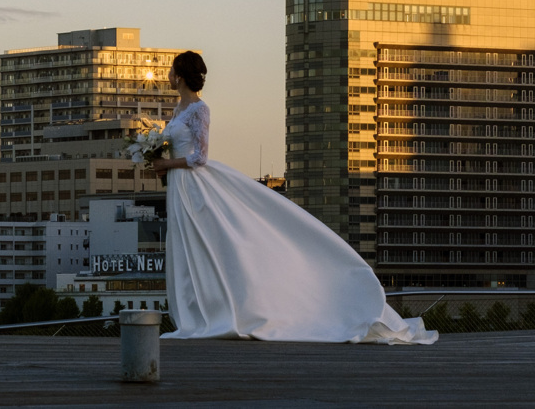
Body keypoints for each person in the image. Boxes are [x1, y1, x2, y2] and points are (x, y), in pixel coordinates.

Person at [150, 51, 437, 344]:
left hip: (193, 184)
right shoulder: (178, 109)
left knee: (210, 242)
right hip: (178, 185)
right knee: (186, 246)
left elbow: (200, 157)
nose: (169, 76)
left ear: (181, 75)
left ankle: (224, 311)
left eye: (171, 71)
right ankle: (195, 313)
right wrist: (161, 164)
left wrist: (167, 165)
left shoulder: (199, 109)